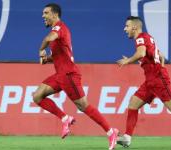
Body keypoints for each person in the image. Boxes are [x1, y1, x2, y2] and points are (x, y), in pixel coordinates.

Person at [33, 3, 119, 150]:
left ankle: (111, 132)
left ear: (54, 14)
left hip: (69, 75)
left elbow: (48, 38)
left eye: (46, 13)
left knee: (83, 106)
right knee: (37, 96)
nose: (43, 16)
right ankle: (65, 118)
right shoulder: (59, 32)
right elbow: (60, 56)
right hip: (60, 75)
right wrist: (47, 59)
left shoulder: (59, 28)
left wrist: (41, 49)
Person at [117, 16, 171, 147]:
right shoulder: (148, 38)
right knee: (133, 104)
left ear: (134, 27)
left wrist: (127, 61)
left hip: (157, 79)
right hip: (150, 81)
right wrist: (161, 64)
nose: (125, 29)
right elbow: (160, 54)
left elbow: (141, 53)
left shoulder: (140, 38)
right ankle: (127, 137)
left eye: (127, 26)